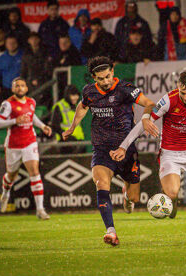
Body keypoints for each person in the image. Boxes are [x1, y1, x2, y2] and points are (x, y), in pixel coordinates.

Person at [61, 56, 157, 246]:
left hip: (127, 149)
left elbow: (149, 103)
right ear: (93, 78)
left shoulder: (124, 88)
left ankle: (126, 193)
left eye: (107, 77)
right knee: (101, 182)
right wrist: (72, 127)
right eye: (100, 78)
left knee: (133, 198)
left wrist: (145, 118)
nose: (105, 81)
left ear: (112, 72)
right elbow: (82, 106)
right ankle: (111, 231)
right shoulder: (89, 91)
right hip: (102, 148)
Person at [110, 71, 186, 219]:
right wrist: (123, 146)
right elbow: (144, 125)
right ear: (177, 87)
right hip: (170, 154)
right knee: (172, 193)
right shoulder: (168, 99)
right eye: (183, 93)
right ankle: (173, 202)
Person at [0, 77, 52, 219]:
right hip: (13, 145)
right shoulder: (7, 104)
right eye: (17, 86)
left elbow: (32, 117)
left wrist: (42, 126)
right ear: (13, 89)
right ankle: (6, 193)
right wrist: (15, 120)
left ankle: (40, 209)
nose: (20, 88)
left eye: (22, 86)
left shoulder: (31, 102)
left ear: (26, 88)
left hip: (30, 142)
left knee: (34, 171)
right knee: (11, 176)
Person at [51, 85, 84, 154]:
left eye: (77, 95)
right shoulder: (59, 106)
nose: (75, 97)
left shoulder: (76, 106)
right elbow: (55, 126)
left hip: (79, 141)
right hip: (65, 143)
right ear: (67, 95)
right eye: (73, 95)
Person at [20, 32, 51, 101]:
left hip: (43, 83)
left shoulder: (45, 53)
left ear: (39, 40)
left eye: (35, 39)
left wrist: (39, 79)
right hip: (30, 85)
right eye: (31, 39)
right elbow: (23, 72)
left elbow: (47, 70)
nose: (33, 41)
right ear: (28, 41)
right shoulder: (26, 55)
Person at [0, 35, 23, 107]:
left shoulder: (23, 56)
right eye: (9, 43)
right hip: (6, 89)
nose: (11, 45)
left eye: (13, 43)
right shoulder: (2, 58)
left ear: (17, 44)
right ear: (6, 44)